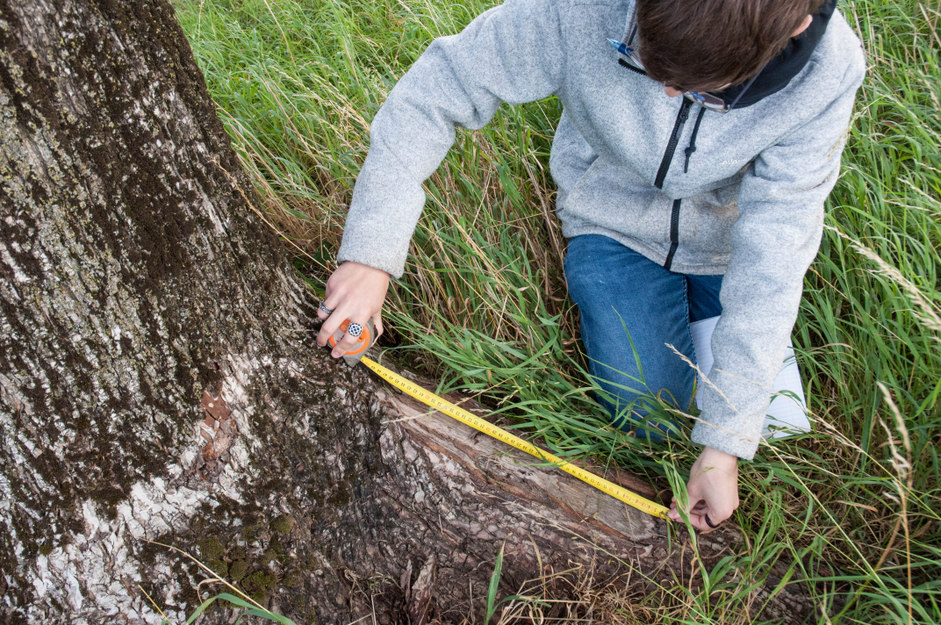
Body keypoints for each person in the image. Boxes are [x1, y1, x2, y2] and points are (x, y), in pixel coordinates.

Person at [315, 0, 865, 532]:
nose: (667, 93)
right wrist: (371, 255)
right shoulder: (580, 7)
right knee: (651, 419)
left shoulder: (827, 71)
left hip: (730, 245)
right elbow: (436, 92)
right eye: (644, 62)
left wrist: (725, 443)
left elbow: (775, 250)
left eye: (700, 90)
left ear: (792, 27)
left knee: (767, 422)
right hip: (612, 222)